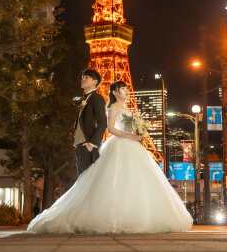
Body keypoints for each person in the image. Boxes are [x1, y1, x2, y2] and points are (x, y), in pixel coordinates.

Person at [26, 80, 192, 234]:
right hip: (120, 144)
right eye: (122, 89)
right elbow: (111, 129)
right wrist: (130, 136)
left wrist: (139, 132)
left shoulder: (128, 108)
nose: (126, 91)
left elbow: (134, 127)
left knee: (135, 180)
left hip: (133, 146)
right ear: (114, 92)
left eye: (127, 89)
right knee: (112, 178)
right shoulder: (113, 108)